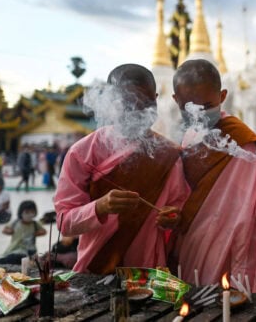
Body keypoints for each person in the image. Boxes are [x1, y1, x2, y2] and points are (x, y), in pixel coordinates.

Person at [54, 63, 190, 274]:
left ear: (155, 99)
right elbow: (64, 222)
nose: (136, 111)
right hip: (97, 266)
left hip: (149, 271)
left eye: (145, 104)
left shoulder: (170, 155)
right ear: (112, 103)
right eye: (128, 104)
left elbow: (179, 212)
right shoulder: (84, 152)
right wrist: (99, 207)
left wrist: (172, 218)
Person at [169, 59, 256, 286]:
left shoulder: (242, 141)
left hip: (230, 241)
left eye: (207, 105)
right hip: (192, 237)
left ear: (222, 96)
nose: (199, 113)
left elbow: (245, 204)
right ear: (176, 101)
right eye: (190, 107)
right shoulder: (189, 136)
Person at [0, 200, 46, 264]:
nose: (30, 214)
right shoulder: (16, 222)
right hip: (15, 248)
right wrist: (10, 231)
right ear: (21, 213)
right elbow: (5, 230)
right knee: (14, 257)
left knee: (24, 259)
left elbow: (43, 231)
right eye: (27, 212)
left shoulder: (34, 224)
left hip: (30, 250)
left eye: (32, 212)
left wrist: (35, 233)